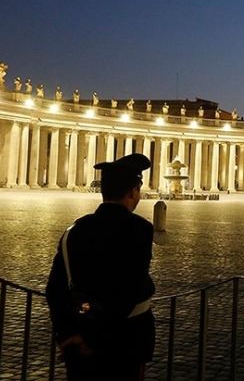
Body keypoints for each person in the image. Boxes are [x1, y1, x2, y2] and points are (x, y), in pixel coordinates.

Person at [46, 153, 156, 381]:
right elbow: (128, 292)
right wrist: (93, 340)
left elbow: (55, 290)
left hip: (77, 344)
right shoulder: (140, 230)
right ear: (134, 192)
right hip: (125, 343)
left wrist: (68, 334)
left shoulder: (75, 230)